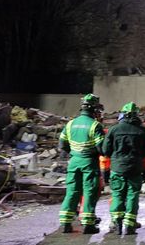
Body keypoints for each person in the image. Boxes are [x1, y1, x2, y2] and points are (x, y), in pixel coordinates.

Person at [58, 94, 105, 234]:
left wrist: (74, 152)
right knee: (89, 192)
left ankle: (66, 224)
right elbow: (101, 148)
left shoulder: (70, 124)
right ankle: (88, 225)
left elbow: (62, 145)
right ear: (93, 109)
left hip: (73, 162)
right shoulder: (95, 125)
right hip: (89, 163)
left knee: (72, 192)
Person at [102, 102, 145, 235]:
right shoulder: (142, 131)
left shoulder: (114, 129)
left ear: (122, 115)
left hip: (118, 168)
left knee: (117, 194)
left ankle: (117, 223)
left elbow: (105, 150)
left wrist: (107, 169)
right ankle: (130, 225)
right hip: (135, 169)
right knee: (132, 195)